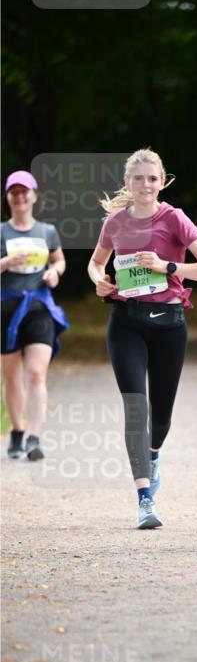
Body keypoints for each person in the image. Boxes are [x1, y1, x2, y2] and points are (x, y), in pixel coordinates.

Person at [88, 149, 197, 529]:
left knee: (160, 418)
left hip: (168, 324)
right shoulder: (115, 222)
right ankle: (144, 497)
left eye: (152, 178)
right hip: (125, 321)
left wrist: (168, 267)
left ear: (161, 182)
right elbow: (97, 261)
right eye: (138, 179)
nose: (145, 185)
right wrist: (98, 279)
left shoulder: (174, 219)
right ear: (127, 183)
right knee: (136, 409)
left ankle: (154, 454)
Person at [1, 170, 68, 460]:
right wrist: (6, 261)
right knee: (12, 377)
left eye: (25, 191)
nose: (20, 196)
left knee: (36, 373)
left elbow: (59, 259)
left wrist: (55, 272)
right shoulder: (2, 232)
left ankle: (34, 437)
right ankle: (17, 430)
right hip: (6, 309)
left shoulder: (47, 231)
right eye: (14, 192)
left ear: (34, 195)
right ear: (8, 197)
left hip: (39, 307)